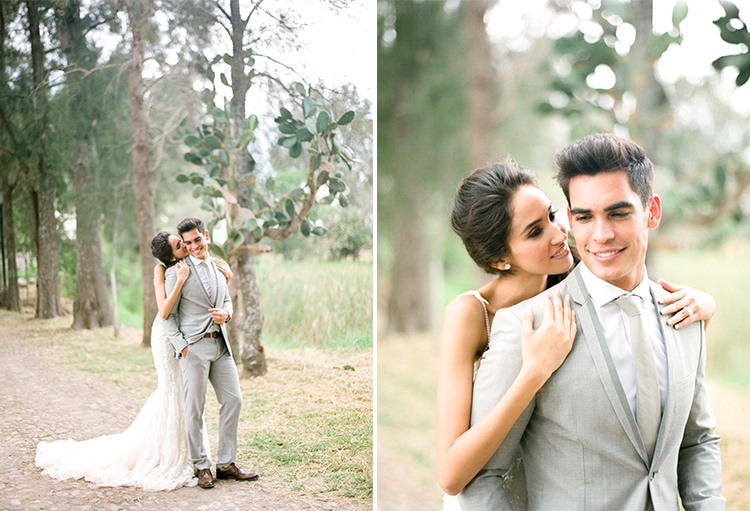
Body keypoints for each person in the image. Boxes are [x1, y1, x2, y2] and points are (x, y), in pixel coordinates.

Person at [459, 134, 724, 510]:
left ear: (652, 212)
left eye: (618, 213)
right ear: (570, 220)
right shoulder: (526, 325)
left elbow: (697, 441)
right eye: (584, 217)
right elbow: (481, 478)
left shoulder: (685, 312)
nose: (601, 235)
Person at [35, 231, 230, 491]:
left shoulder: (192, 261)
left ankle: (192, 455)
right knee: (172, 390)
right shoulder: (163, 271)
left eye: (181, 241)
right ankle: (169, 455)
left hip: (186, 334)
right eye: (178, 244)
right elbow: (163, 311)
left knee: (185, 394)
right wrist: (181, 281)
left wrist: (226, 276)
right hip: (166, 335)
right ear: (170, 255)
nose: (184, 244)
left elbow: (206, 290)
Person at [164, 217, 258, 489]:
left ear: (206, 235)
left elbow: (226, 299)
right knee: (195, 408)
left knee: (234, 400)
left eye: (197, 240)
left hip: (221, 346)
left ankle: (226, 464)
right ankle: (202, 466)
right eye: (188, 243)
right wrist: (182, 346)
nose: (194, 246)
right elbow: (168, 316)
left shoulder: (219, 267)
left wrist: (226, 313)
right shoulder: (176, 272)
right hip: (193, 348)